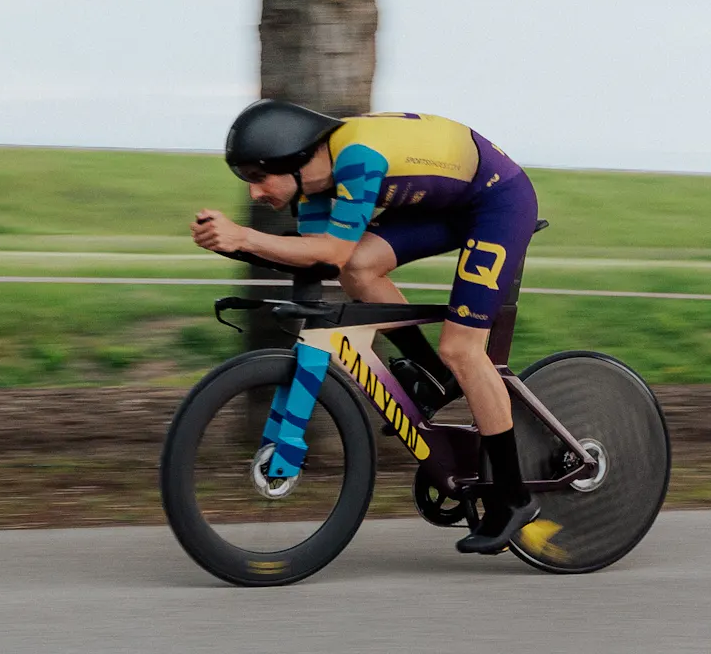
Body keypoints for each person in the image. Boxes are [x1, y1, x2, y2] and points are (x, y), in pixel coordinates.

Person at [191, 99, 542, 554]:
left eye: (259, 177)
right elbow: (317, 257)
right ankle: (433, 377)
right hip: (448, 203)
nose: (255, 193)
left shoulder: (357, 160)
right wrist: (232, 246)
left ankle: (513, 499)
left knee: (463, 348)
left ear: (295, 161)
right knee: (358, 269)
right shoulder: (312, 186)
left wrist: (243, 237)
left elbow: (327, 251)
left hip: (498, 199)